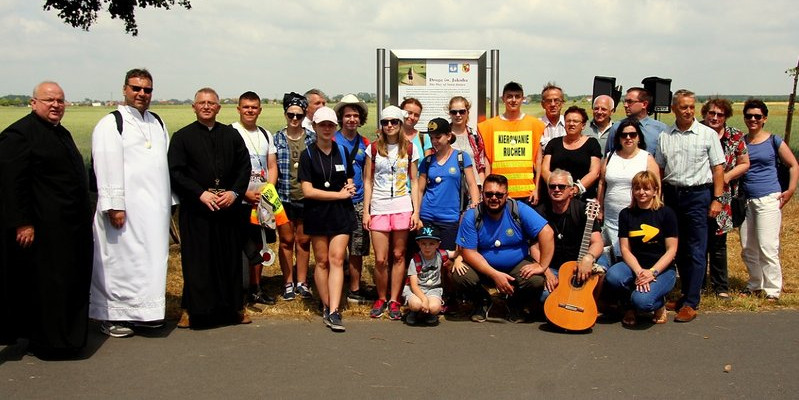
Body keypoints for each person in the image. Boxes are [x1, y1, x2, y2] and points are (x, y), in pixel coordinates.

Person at [0, 81, 93, 358]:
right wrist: (22, 222)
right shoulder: (19, 135)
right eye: (49, 100)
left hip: (68, 227)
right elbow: (10, 184)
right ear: (33, 103)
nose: (55, 105)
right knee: (48, 286)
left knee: (66, 282)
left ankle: (67, 338)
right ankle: (48, 343)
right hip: (42, 228)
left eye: (60, 101)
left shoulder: (59, 132)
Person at [89, 68, 174, 338]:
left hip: (154, 211)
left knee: (150, 261)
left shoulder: (157, 122)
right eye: (136, 88)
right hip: (124, 211)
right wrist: (114, 205)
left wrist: (170, 203)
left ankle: (144, 314)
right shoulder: (112, 123)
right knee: (120, 262)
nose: (141, 94)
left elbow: (165, 166)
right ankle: (112, 316)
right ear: (125, 89)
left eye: (147, 89)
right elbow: (105, 165)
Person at [167, 87, 251, 328]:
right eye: (201, 103)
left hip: (227, 209)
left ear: (218, 107)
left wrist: (234, 193)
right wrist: (200, 193)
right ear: (194, 107)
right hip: (197, 211)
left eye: (211, 103)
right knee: (197, 262)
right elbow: (176, 172)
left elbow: (244, 167)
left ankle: (234, 308)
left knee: (229, 260)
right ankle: (192, 311)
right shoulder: (182, 137)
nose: (206, 106)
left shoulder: (231, 135)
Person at [656, 89, 725, 322]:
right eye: (683, 107)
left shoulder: (707, 135)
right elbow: (660, 169)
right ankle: (685, 293)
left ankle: (691, 302)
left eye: (691, 107)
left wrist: (717, 200)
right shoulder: (665, 135)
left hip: (698, 196)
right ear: (674, 108)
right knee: (679, 248)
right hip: (672, 195)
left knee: (696, 248)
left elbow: (718, 169)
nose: (688, 111)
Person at [453, 174, 554, 323]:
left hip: (516, 265)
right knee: (460, 275)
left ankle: (514, 303)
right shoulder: (472, 216)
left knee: (536, 280)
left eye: (499, 194)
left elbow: (547, 233)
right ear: (482, 194)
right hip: (483, 267)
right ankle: (482, 301)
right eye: (489, 194)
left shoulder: (518, 210)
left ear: (507, 195)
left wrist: (543, 266)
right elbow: (469, 252)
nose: (494, 198)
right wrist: (495, 275)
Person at [298, 107, 356, 332]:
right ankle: (325, 304)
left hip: (341, 212)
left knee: (337, 259)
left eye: (330, 125)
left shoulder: (341, 150)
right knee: (321, 261)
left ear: (335, 127)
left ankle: (334, 310)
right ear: (315, 127)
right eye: (322, 125)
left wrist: (350, 186)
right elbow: (308, 191)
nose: (326, 128)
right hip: (317, 213)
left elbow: (349, 177)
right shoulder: (308, 154)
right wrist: (338, 194)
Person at [363, 105, 421, 320]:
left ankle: (394, 299)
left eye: (393, 122)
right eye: (385, 122)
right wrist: (366, 211)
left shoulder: (411, 148)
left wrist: (416, 211)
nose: (389, 126)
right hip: (379, 206)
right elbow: (367, 181)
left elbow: (414, 182)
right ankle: (381, 297)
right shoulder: (373, 148)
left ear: (400, 124)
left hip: (402, 206)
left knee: (398, 255)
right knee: (380, 259)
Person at [739, 99, 798, 301]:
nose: (753, 119)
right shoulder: (742, 142)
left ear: (764, 118)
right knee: (748, 247)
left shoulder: (774, 141)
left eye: (757, 116)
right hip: (747, 201)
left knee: (767, 246)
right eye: (749, 116)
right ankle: (755, 283)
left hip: (768, 199)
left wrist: (790, 190)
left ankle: (773, 289)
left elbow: (793, 165)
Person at [605, 171, 678, 326]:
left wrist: (652, 272)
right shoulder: (626, 214)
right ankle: (629, 307)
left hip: (662, 269)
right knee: (613, 276)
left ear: (655, 191)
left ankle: (658, 304)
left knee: (643, 302)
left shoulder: (666, 214)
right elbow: (625, 249)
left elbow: (671, 250)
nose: (641, 192)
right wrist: (639, 271)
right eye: (637, 188)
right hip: (635, 266)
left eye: (647, 189)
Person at [231, 91, 278, 306]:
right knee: (235, 246)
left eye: (254, 107)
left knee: (260, 245)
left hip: (261, 202)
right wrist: (243, 193)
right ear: (238, 109)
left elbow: (271, 166)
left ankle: (256, 289)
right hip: (238, 200)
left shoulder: (266, 134)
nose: (250, 110)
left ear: (260, 110)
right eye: (246, 107)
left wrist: (268, 192)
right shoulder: (230, 133)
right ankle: (234, 291)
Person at [700, 98, 749, 300]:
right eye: (711, 113)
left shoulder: (734, 136)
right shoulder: (698, 132)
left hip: (725, 195)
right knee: (698, 241)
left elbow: (744, 162)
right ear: (705, 114)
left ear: (726, 116)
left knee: (719, 242)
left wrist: (726, 177)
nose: (715, 117)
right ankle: (699, 284)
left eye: (720, 114)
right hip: (699, 192)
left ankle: (720, 285)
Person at [535, 169, 607, 304]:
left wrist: (588, 258)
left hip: (580, 266)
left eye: (561, 186)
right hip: (553, 267)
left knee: (601, 265)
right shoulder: (540, 212)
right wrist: (545, 270)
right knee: (545, 296)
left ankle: (593, 303)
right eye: (552, 186)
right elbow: (534, 246)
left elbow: (597, 242)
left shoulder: (583, 210)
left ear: (571, 190)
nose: (556, 189)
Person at [597, 117, 660, 261]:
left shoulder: (647, 158)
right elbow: (602, 183)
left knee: (629, 255)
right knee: (608, 255)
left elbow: (656, 187)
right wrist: (600, 208)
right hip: (610, 218)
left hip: (636, 217)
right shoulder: (610, 156)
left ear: (639, 137)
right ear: (618, 138)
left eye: (632, 134)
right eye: (624, 135)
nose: (628, 138)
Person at [274, 92, 315, 301]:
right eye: (291, 115)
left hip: (307, 198)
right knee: (286, 241)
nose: (295, 119)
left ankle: (302, 282)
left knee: (304, 241)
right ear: (285, 114)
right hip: (284, 197)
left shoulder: (312, 138)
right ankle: (288, 282)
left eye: (299, 115)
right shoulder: (276, 139)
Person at [332, 94, 372, 304]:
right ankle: (335, 288)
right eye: (348, 115)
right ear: (341, 117)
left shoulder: (365, 143)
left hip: (358, 201)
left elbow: (368, 175)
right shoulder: (331, 140)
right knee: (335, 250)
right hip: (336, 202)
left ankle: (355, 290)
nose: (352, 119)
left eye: (355, 115)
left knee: (357, 249)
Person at [477, 81, 545, 203]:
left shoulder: (535, 125)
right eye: (509, 96)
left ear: (522, 99)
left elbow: (539, 160)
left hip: (527, 193)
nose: (513, 100)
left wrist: (537, 188)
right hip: (498, 193)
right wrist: (487, 190)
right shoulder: (489, 126)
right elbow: (487, 161)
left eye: (517, 96)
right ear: (503, 98)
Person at [418, 117, 480, 250]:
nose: (434, 141)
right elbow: (419, 190)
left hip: (450, 218)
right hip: (427, 216)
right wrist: (417, 215)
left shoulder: (461, 157)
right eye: (432, 137)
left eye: (438, 137)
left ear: (448, 135)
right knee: (428, 257)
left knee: (448, 259)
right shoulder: (427, 161)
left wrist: (475, 204)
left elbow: (472, 184)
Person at [541, 106, 602, 200]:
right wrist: (557, 187)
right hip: (555, 197)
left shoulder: (592, 144)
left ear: (583, 125)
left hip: (582, 199)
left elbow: (595, 172)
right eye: (568, 121)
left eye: (576, 121)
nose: (571, 124)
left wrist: (576, 189)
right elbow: (544, 170)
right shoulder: (553, 143)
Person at [403, 224, 455, 325]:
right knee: (416, 304)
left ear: (437, 244)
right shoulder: (415, 260)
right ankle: (413, 312)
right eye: (423, 243)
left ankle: (430, 314)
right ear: (418, 244)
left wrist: (459, 260)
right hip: (416, 289)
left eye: (431, 244)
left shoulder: (441, 254)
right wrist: (424, 300)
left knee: (435, 308)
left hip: (433, 289)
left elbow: (458, 253)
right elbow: (413, 285)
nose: (427, 247)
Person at [605, 87, 669, 158]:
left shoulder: (661, 129)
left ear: (644, 104)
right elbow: (609, 157)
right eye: (625, 101)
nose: (625, 105)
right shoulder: (617, 127)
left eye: (630, 102)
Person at [448, 95, 489, 187]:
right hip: (451, 187)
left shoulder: (474, 135)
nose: (458, 115)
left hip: (474, 187)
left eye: (462, 112)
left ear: (467, 112)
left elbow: (481, 166)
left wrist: (482, 186)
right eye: (454, 112)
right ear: (450, 114)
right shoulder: (444, 136)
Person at [400, 97, 433, 170]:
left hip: (418, 180)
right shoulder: (391, 137)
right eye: (409, 113)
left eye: (416, 115)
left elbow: (427, 166)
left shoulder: (424, 138)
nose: (412, 117)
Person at [539, 83, 567, 150]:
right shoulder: (536, 125)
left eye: (556, 101)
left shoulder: (569, 124)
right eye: (548, 101)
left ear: (562, 103)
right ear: (543, 104)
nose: (553, 104)